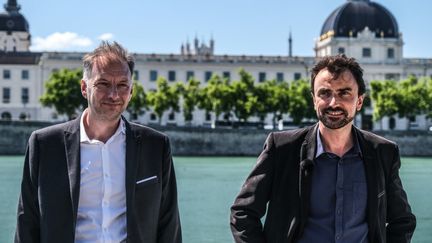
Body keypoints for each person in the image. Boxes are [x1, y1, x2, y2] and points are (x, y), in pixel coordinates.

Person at [230, 54, 416, 243]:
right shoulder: (281, 148)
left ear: (359, 101)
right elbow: (243, 212)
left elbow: (402, 221)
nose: (334, 103)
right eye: (325, 93)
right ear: (313, 99)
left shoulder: (384, 152)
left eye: (344, 93)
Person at [15, 41, 181, 243]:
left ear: (131, 92)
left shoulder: (156, 146)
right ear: (84, 88)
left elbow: (168, 224)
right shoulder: (45, 144)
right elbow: (27, 224)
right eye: (103, 84)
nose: (114, 95)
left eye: (122, 85)